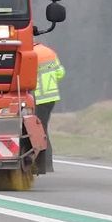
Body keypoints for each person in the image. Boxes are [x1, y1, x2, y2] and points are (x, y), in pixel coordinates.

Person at [33, 43, 65, 172]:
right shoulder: (49, 52)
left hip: (38, 97)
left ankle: (42, 165)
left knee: (38, 133)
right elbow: (60, 73)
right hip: (51, 97)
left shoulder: (31, 53)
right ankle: (46, 164)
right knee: (43, 130)